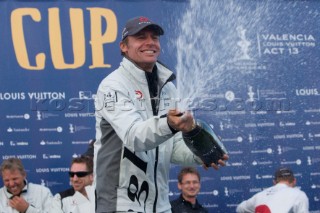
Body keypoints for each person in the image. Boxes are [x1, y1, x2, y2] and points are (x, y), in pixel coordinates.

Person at [94, 16, 229, 213]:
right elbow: (134, 138)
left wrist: (201, 154)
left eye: (154, 38)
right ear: (124, 46)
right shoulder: (113, 85)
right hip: (120, 203)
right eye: (140, 37)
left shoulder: (168, 88)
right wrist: (170, 124)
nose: (150, 42)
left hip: (160, 206)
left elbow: (171, 148)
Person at [236, 167, 309, 213]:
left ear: (274, 182)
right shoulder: (298, 194)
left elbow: (240, 209)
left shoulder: (260, 195)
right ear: (295, 181)